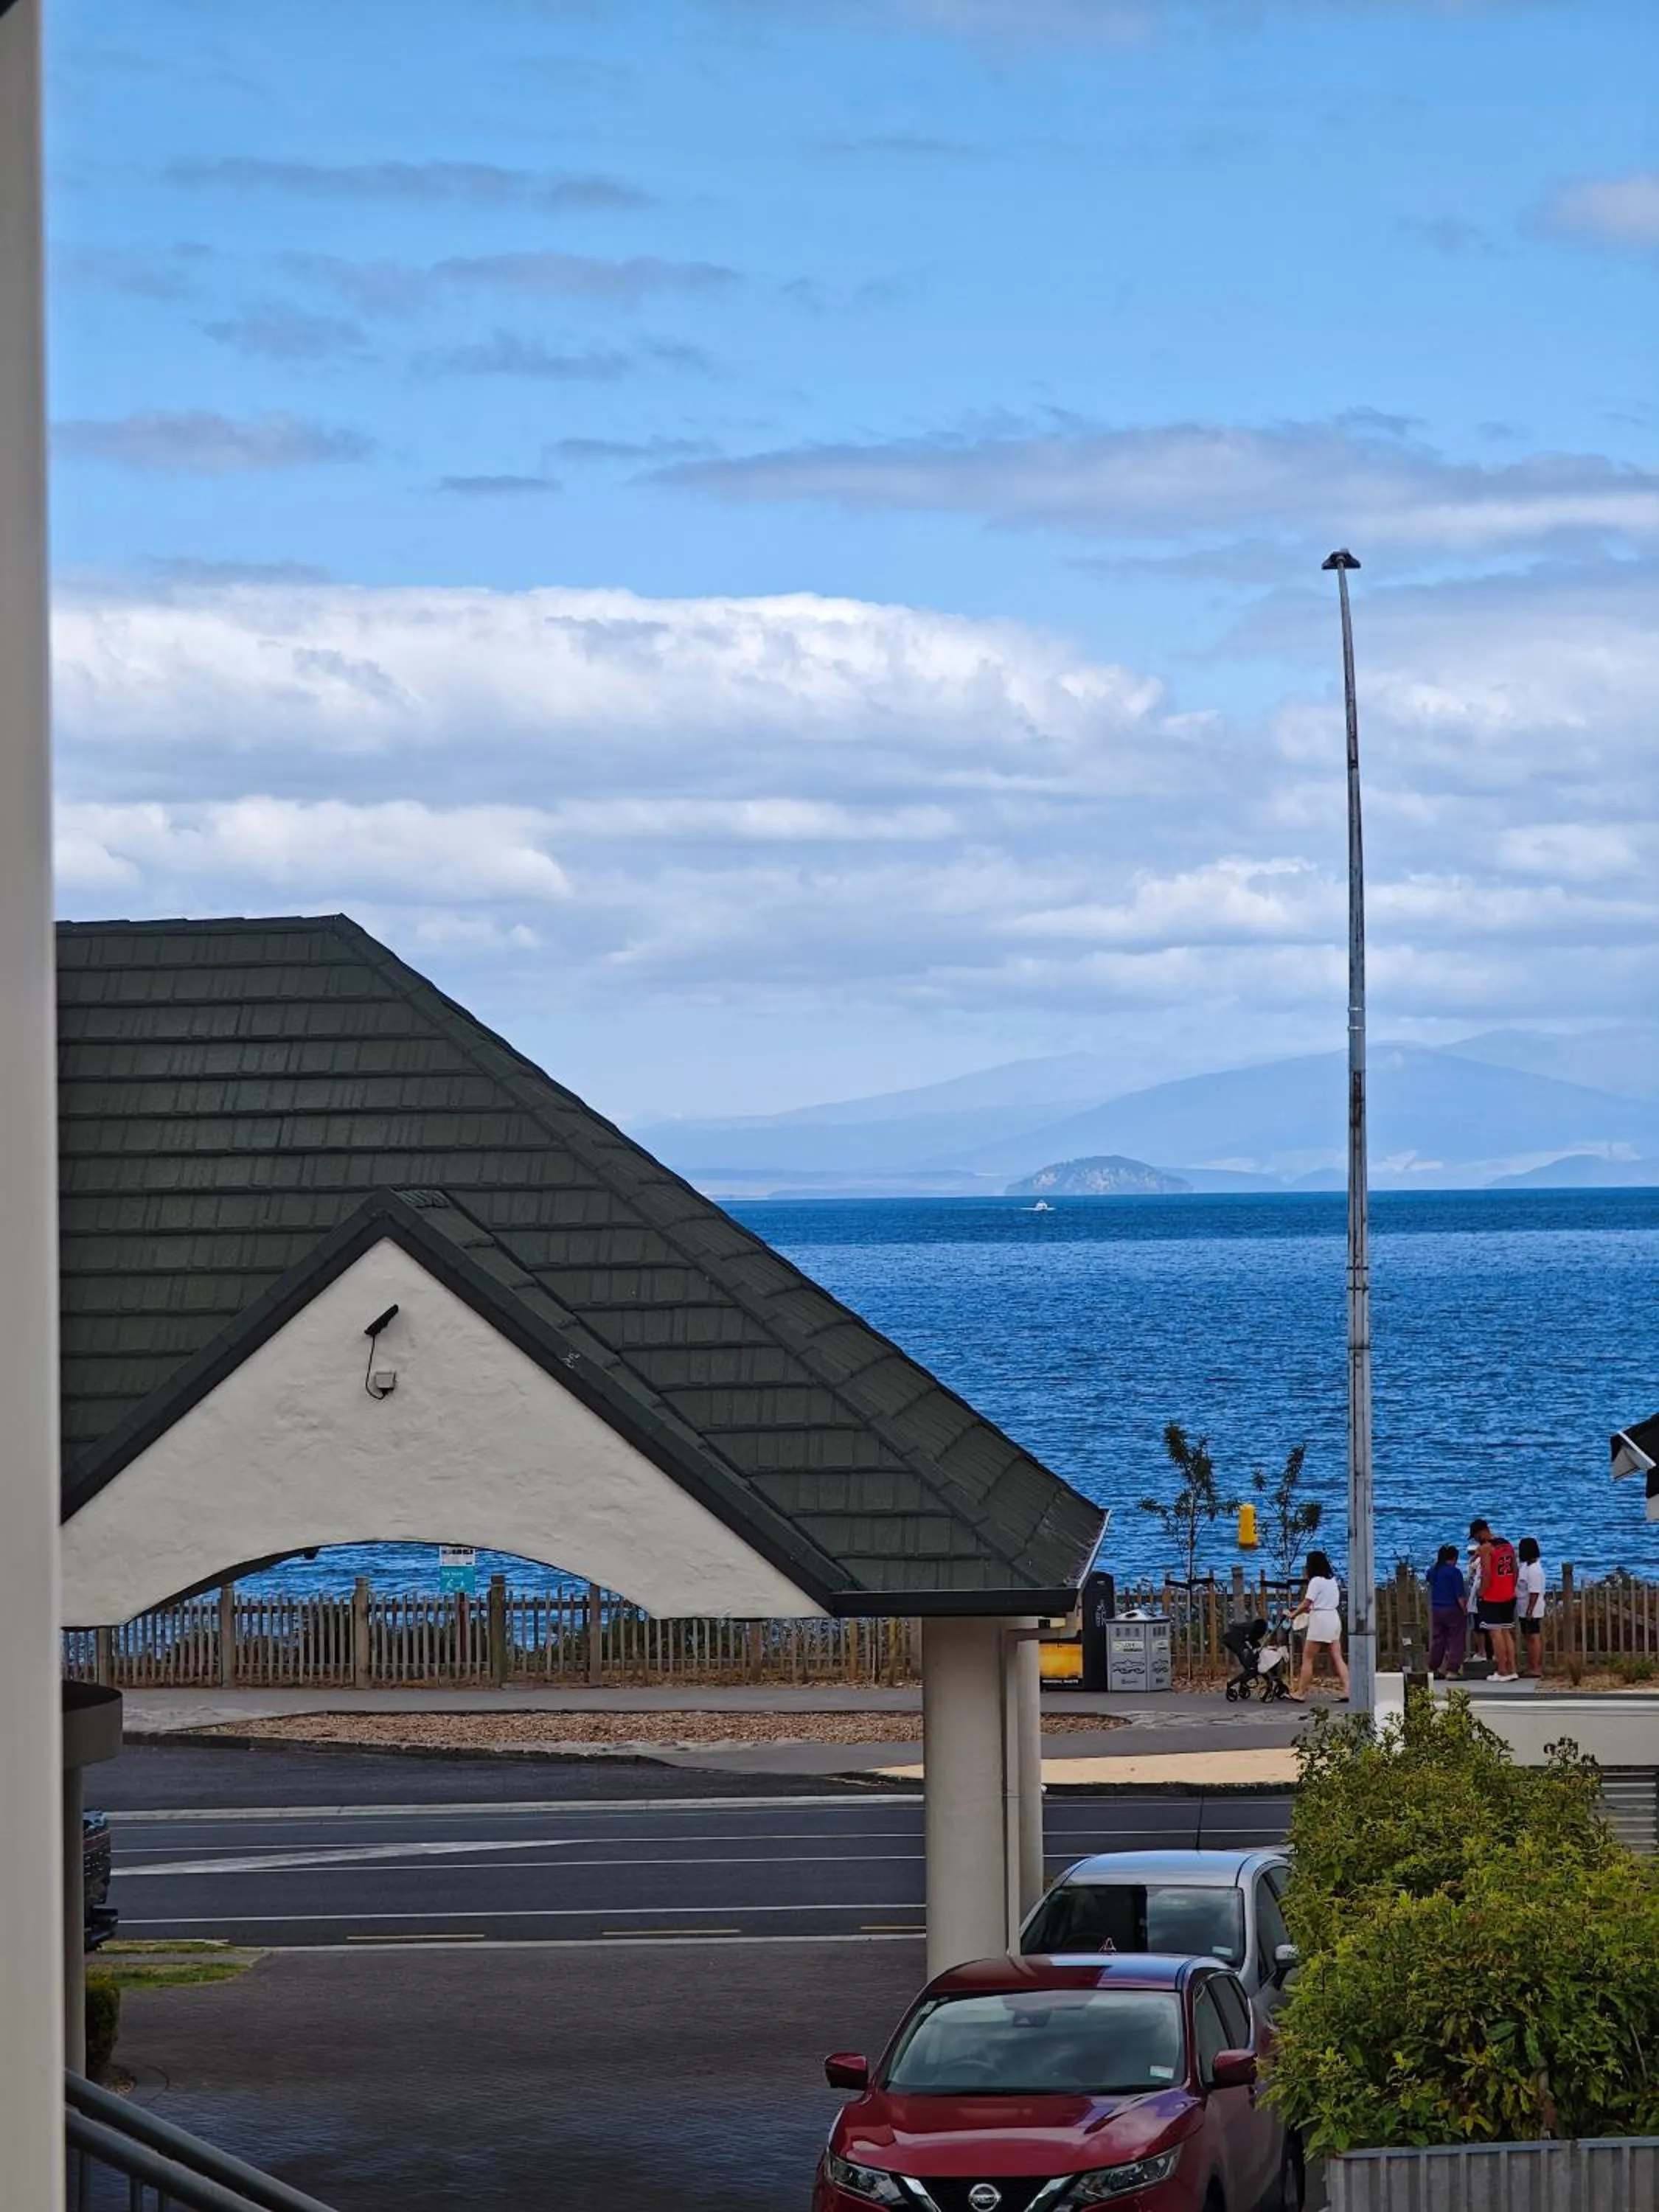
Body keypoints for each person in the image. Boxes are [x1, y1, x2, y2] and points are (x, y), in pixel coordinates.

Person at [1289, 1548, 1349, 1701]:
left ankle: (1301, 1692)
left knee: (1308, 1657)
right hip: (1333, 1618)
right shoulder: (1331, 1580)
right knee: (1337, 1657)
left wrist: (1293, 1614)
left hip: (1321, 1620)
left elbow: (1307, 1603)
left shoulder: (1316, 1581)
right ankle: (1348, 1689)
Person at [1471, 1517, 1520, 1682]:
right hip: (1509, 1593)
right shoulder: (1507, 1545)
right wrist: (1511, 1587)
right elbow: (1515, 1570)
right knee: (1507, 1632)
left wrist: (1481, 1594)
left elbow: (1487, 1575)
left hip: (1493, 1596)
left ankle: (1502, 1670)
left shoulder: (1486, 1549)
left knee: (1495, 1633)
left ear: (1480, 1533)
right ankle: (1512, 1668)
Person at [1426, 1543, 1467, 1678]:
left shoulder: (1433, 1571)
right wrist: (1465, 1609)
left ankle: (1433, 1666)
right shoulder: (1454, 1572)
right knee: (1456, 1638)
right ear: (1454, 1558)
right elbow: (1460, 1595)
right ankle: (1452, 1669)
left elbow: (1430, 1581)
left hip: (1437, 1609)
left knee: (1438, 1639)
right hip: (1452, 1608)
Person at [1517, 1537, 1545, 1679]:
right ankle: (1531, 1665)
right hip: (1523, 1607)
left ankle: (1536, 1668)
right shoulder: (1525, 1566)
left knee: (1534, 1637)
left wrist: (1529, 1610)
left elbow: (1534, 1592)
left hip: (1532, 1610)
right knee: (1528, 1637)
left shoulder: (1534, 1569)